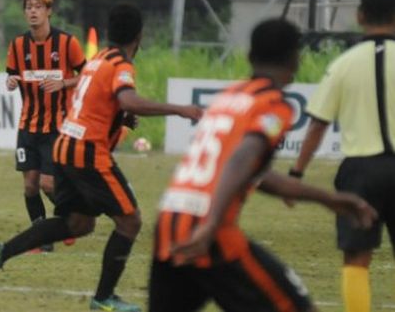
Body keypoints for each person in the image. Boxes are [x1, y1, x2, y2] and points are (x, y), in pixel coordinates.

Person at [0, 3, 203, 312]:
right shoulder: (121, 64)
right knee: (130, 221)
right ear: (140, 35)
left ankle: (2, 253)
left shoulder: (97, 60)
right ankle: (103, 298)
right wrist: (180, 109)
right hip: (87, 152)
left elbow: (94, 104)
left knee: (78, 223)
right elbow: (129, 99)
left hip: (65, 146)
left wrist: (119, 118)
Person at [150, 18, 377, 312]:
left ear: (249, 56)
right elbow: (242, 158)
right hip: (209, 229)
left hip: (170, 222)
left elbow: (254, 174)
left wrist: (328, 199)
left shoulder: (228, 97)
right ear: (296, 58)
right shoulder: (273, 104)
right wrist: (211, 222)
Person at [288, 0, 395, 312]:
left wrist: (297, 173)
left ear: (360, 16)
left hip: (359, 173)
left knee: (356, 258)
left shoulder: (343, 65)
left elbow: (318, 124)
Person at [5, 0, 86, 251]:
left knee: (47, 183)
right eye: (29, 7)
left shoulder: (67, 43)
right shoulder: (18, 45)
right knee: (30, 186)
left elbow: (87, 76)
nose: (33, 12)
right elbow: (13, 75)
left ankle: (71, 219)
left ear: (49, 11)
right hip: (27, 126)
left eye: (38, 7)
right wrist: (10, 80)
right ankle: (43, 239)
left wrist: (63, 83)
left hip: (57, 128)